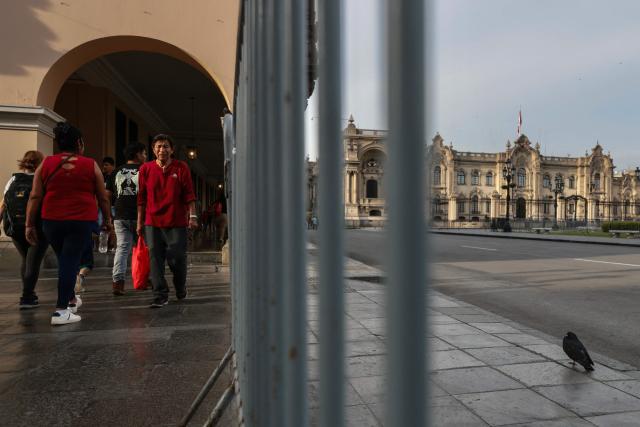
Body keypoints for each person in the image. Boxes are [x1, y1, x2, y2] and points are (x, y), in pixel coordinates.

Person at [25, 122, 112, 325]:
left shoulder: (45, 164)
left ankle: (71, 299)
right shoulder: (90, 164)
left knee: (65, 259)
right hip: (80, 220)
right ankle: (61, 310)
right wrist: (107, 220)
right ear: (79, 143)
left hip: (51, 221)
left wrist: (29, 224)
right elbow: (103, 196)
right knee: (70, 261)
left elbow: (35, 196)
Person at [137, 134, 197, 308]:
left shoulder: (181, 167)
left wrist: (192, 216)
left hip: (176, 221)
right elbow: (141, 198)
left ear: (172, 149)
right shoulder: (145, 169)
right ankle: (160, 295)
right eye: (158, 146)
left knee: (177, 258)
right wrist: (140, 222)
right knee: (155, 258)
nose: (162, 150)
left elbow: (189, 194)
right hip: (152, 222)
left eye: (165, 146)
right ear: (153, 150)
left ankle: (180, 286)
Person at [0, 151, 48, 309]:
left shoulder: (13, 180)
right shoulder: (41, 180)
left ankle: (29, 293)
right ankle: (27, 297)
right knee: (33, 263)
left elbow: (4, 204)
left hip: (15, 229)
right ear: (40, 162)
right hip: (36, 228)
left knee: (26, 260)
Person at [107, 142, 147, 295]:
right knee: (145, 248)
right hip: (141, 216)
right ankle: (145, 278)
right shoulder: (145, 170)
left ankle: (118, 283)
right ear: (137, 154)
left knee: (122, 249)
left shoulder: (116, 171)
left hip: (120, 215)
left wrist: (109, 215)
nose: (145, 156)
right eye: (143, 153)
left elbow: (107, 195)